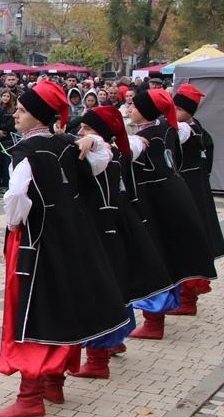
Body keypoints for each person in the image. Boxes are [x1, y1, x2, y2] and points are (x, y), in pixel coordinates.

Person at [0, 81, 128, 417]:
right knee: (63, 305)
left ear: (37, 116)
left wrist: (12, 226)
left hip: (35, 243)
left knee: (32, 311)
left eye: (22, 111)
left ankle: (30, 397)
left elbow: (16, 201)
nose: (16, 116)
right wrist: (91, 139)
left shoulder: (26, 154)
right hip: (72, 238)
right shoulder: (68, 144)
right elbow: (103, 156)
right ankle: (54, 383)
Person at [68, 106, 173, 379]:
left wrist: (94, 139)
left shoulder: (101, 151)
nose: (80, 133)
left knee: (101, 288)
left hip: (101, 228)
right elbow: (133, 141)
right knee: (116, 285)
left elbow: (104, 143)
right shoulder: (118, 149)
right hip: (116, 224)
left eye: (86, 128)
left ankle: (97, 359)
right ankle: (114, 341)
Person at [125, 89, 217, 340]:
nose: (129, 109)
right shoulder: (170, 130)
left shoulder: (144, 138)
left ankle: (154, 322)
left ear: (146, 111)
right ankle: (162, 314)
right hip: (172, 197)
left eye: (133, 106)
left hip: (152, 202)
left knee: (153, 257)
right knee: (168, 254)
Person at [171, 83, 224, 313]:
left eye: (175, 107)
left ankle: (187, 299)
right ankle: (187, 297)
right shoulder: (201, 130)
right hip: (199, 190)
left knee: (186, 242)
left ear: (184, 109)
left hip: (188, 193)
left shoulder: (184, 131)